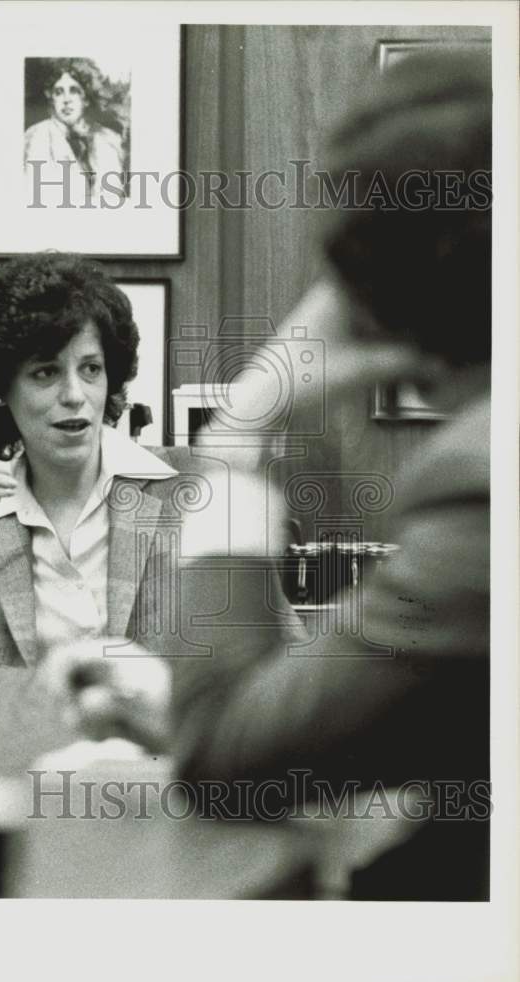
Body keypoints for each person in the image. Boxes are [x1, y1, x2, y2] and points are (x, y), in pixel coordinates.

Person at [43, 51, 492, 900]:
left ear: (364, 297)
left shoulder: (480, 487)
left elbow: (227, 762)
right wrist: (232, 712)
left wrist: (240, 428)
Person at [0, 252, 207, 667]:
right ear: (1, 392)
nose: (75, 394)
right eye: (46, 372)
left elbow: (270, 659)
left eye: (91, 369)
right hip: (17, 731)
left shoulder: (193, 485)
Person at [24, 58, 126, 206]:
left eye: (74, 91)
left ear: (86, 99)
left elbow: (115, 197)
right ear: (51, 99)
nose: (66, 100)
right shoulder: (35, 136)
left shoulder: (109, 139)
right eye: (58, 92)